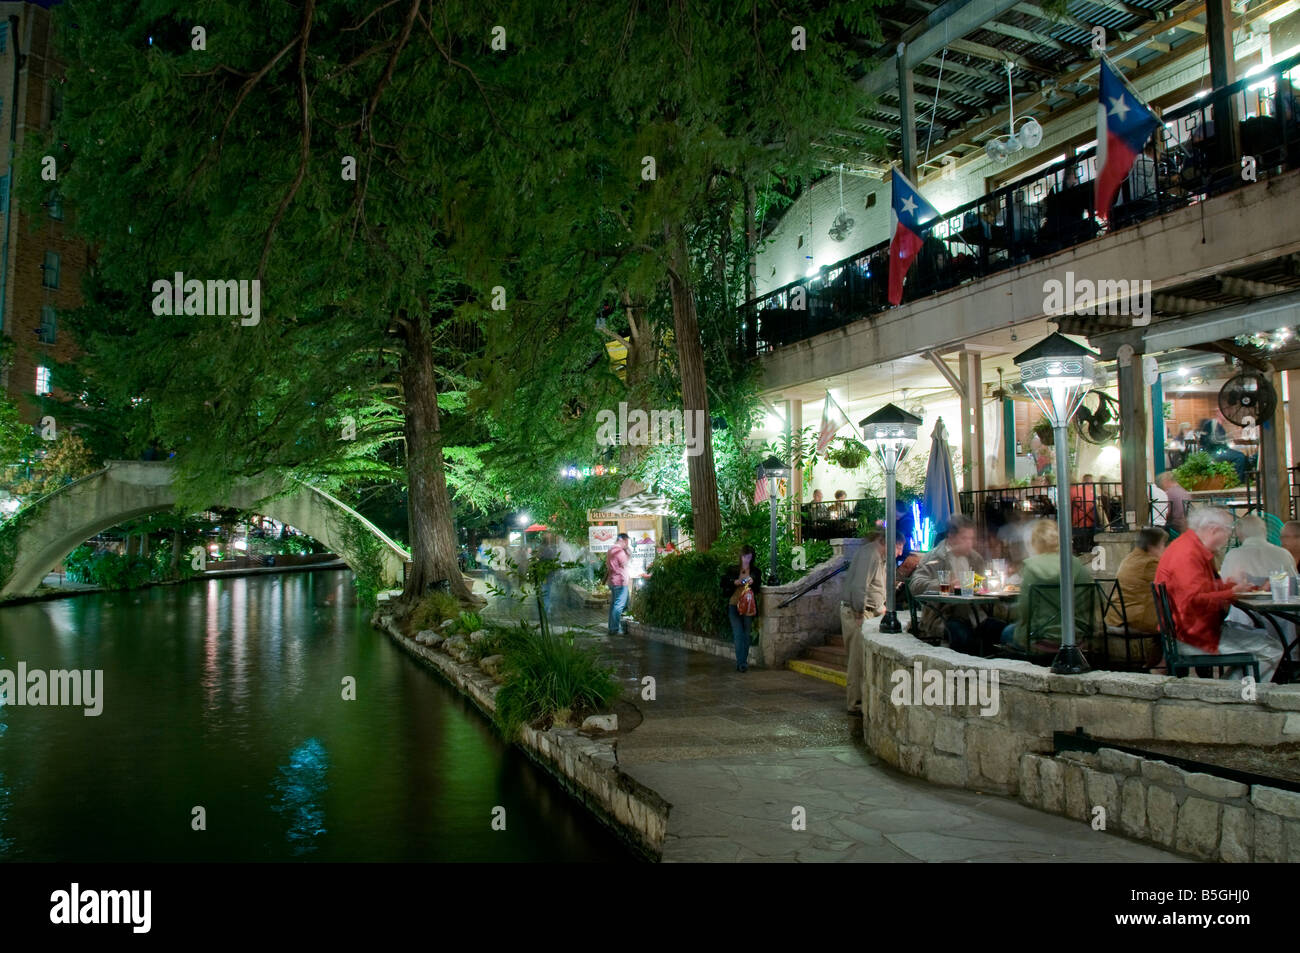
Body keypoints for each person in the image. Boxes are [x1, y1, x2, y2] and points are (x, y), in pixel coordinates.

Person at [1155, 506, 1283, 683]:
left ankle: (1227, 689)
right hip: (1193, 636)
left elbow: (1200, 589)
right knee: (1272, 647)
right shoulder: (1188, 554)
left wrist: (1233, 586)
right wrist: (1231, 591)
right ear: (1214, 529)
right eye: (1228, 531)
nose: (1229, 537)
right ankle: (1231, 694)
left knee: (1262, 638)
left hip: (1189, 630)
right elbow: (1192, 600)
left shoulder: (1189, 546)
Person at [908, 513, 1002, 655]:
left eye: (971, 538)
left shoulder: (976, 559)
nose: (969, 543)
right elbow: (915, 584)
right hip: (943, 617)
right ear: (951, 537)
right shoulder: (934, 558)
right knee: (962, 636)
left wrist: (987, 585)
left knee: (1000, 631)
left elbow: (983, 584)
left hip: (975, 615)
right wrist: (943, 584)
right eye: (965, 538)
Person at [1001, 519, 1095, 651]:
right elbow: (1090, 603)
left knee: (1007, 632)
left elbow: (1024, 609)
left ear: (1035, 543)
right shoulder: (1077, 565)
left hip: (1040, 639)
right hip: (1075, 639)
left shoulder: (1031, 566)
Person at [1104, 527, 1166, 668]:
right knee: (1175, 624)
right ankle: (1158, 668)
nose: (1165, 548)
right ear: (1152, 546)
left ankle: (1153, 666)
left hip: (1119, 614)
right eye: (1163, 544)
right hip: (1132, 617)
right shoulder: (1149, 563)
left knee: (1167, 624)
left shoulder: (1131, 557)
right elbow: (1171, 584)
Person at [1221, 515, 1295, 586]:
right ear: (1264, 531)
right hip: (1279, 597)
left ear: (1239, 533)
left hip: (1243, 598)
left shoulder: (1233, 555)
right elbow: (1294, 583)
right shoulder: (1284, 553)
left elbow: (1225, 582)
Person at [724, 545, 761, 672]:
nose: (747, 560)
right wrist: (734, 582)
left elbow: (758, 587)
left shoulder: (755, 571)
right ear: (741, 556)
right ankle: (741, 663)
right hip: (734, 605)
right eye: (745, 557)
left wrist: (753, 581)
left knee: (746, 634)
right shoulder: (733, 569)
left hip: (748, 606)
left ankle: (743, 662)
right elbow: (723, 583)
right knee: (738, 633)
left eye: (749, 557)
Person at [606, 533, 631, 636]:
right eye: (626, 542)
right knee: (619, 605)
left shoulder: (610, 550)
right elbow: (626, 563)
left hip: (612, 580)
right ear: (623, 540)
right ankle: (615, 629)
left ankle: (612, 627)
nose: (627, 544)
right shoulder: (619, 551)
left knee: (614, 605)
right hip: (620, 581)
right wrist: (628, 553)